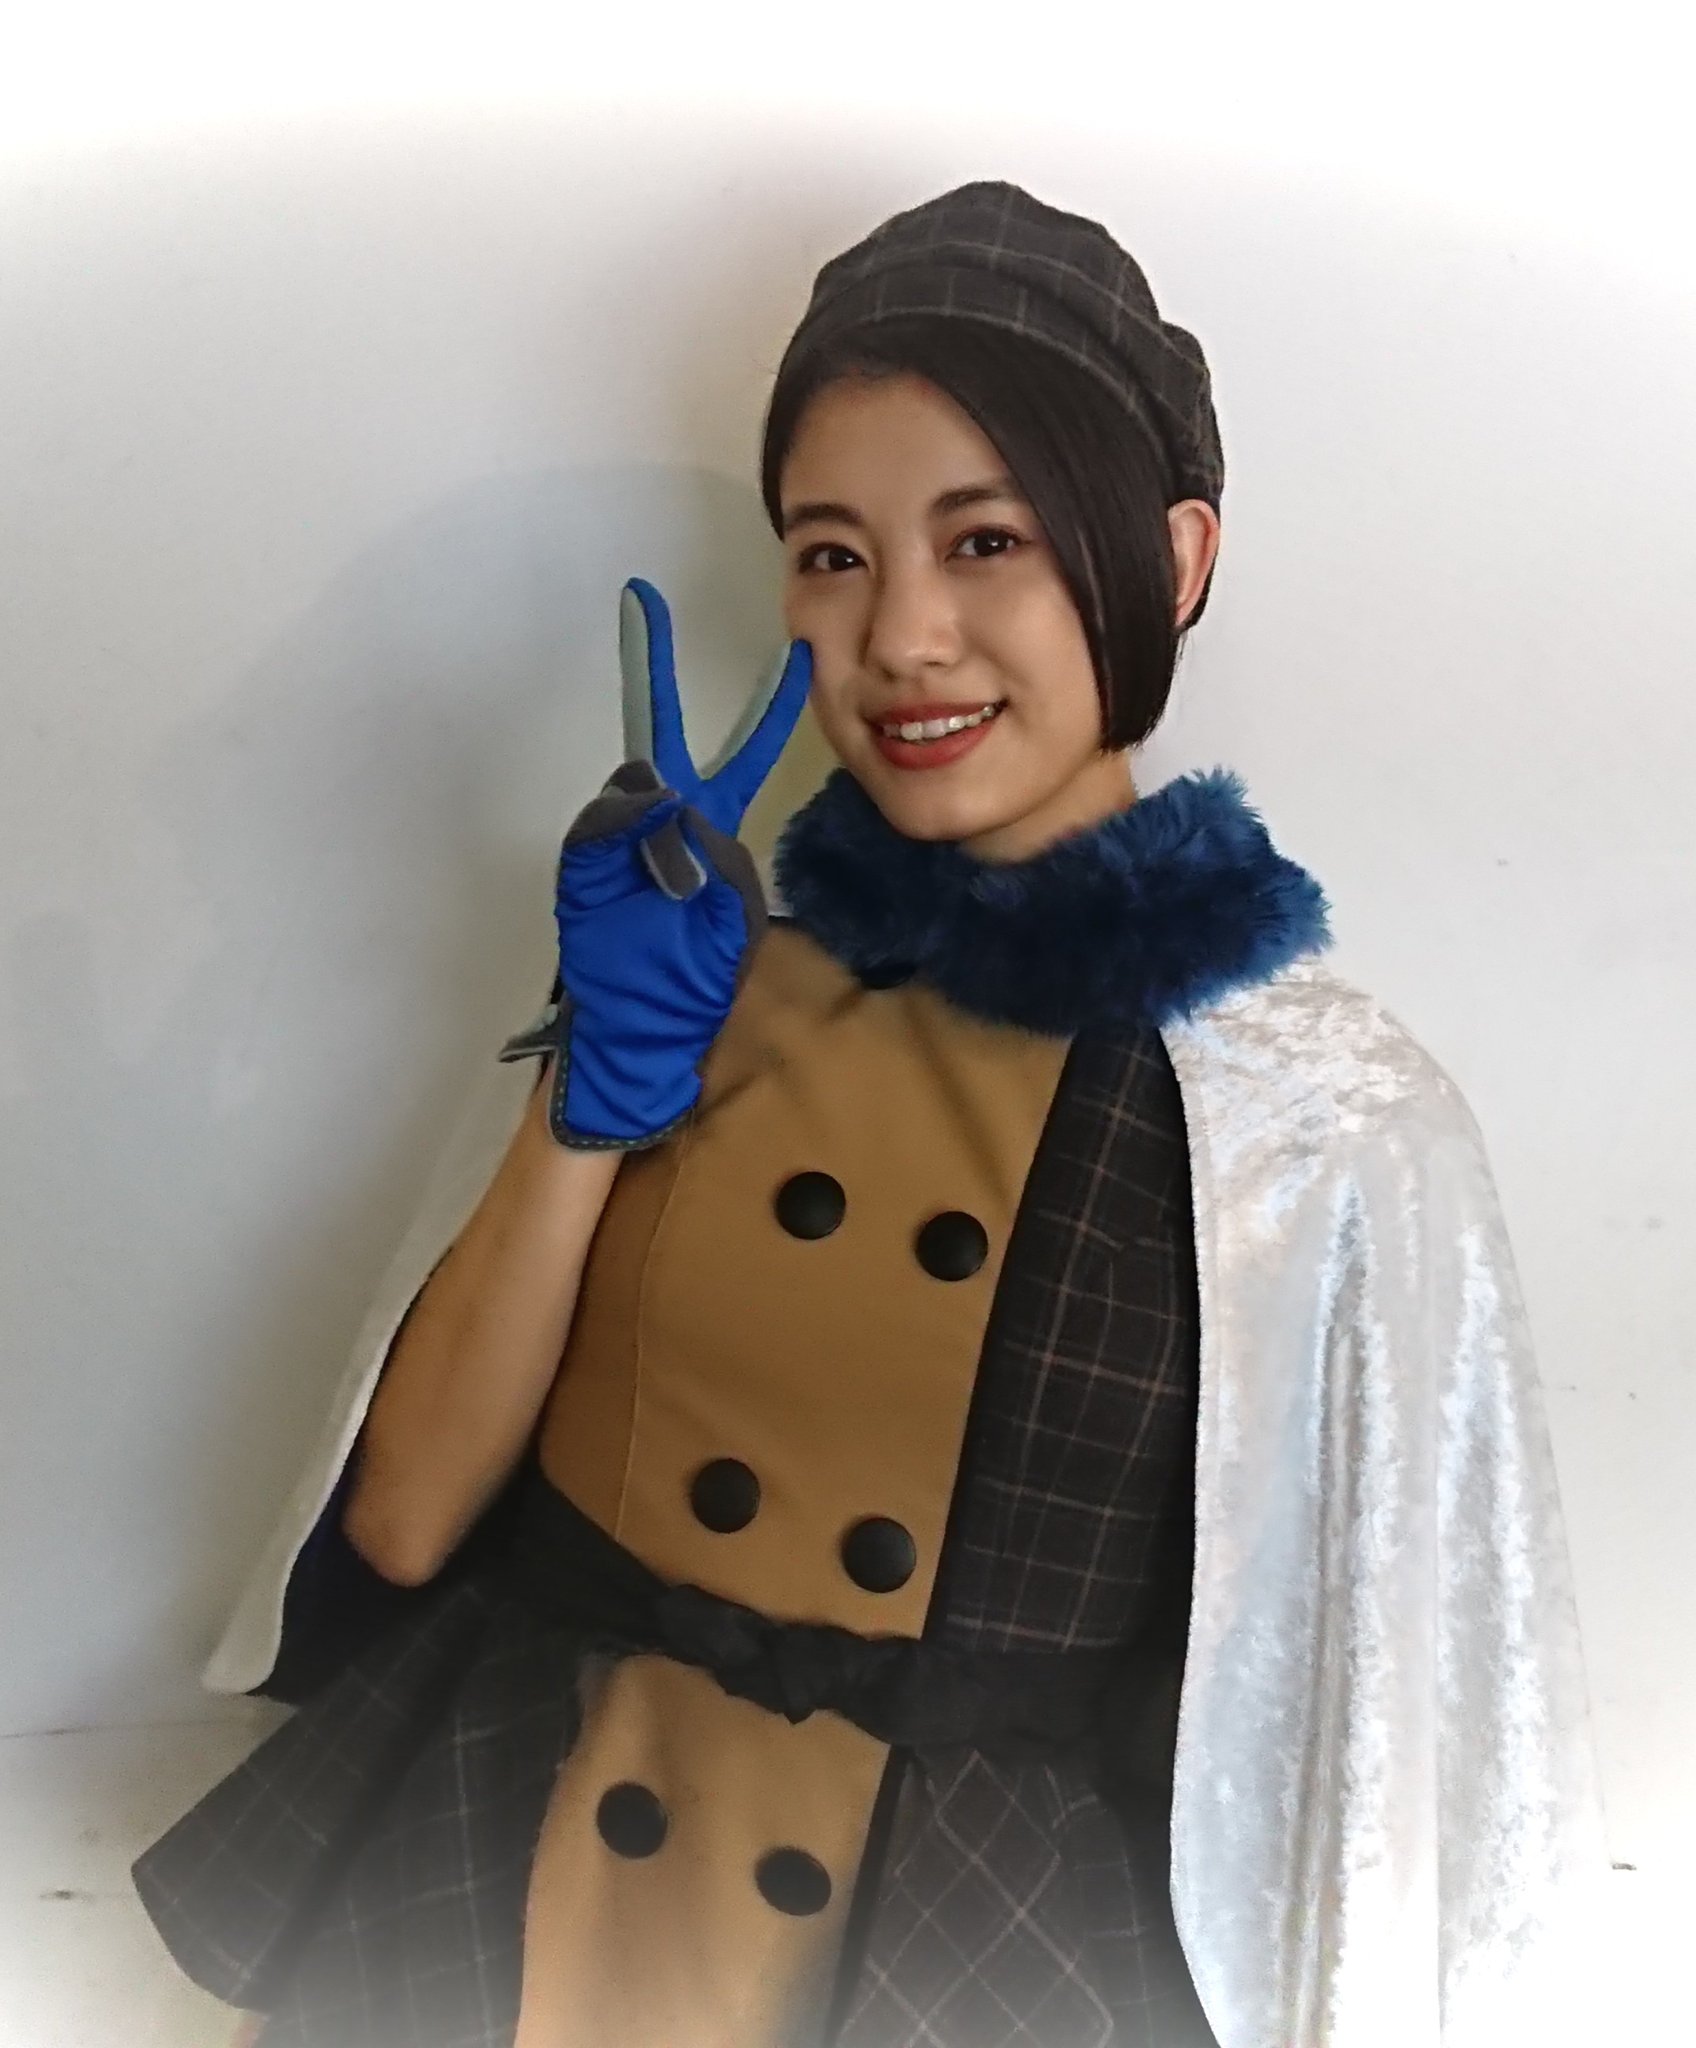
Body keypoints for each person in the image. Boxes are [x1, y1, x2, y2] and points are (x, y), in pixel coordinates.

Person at [132, 180, 1604, 2048]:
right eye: (831, 554)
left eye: (985, 540)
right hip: (513, 1877)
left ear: (1171, 562)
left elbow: (1380, 1782)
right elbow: (407, 1528)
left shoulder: (1324, 1126)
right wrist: (588, 1098)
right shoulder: (689, 975)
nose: (902, 634)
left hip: (946, 1953)